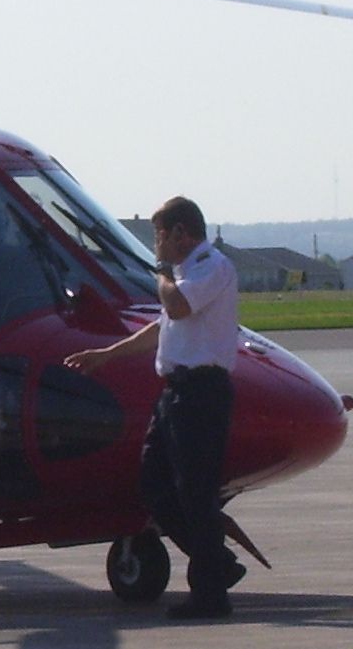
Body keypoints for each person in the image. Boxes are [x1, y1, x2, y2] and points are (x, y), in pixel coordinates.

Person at [66, 196, 246, 619]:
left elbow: (177, 307)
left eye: (160, 236)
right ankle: (217, 564)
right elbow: (164, 325)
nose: (157, 245)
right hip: (176, 393)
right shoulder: (187, 275)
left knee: (195, 493)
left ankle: (210, 594)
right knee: (155, 486)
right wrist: (107, 355)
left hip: (202, 392)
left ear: (181, 233)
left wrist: (162, 275)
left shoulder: (211, 267)